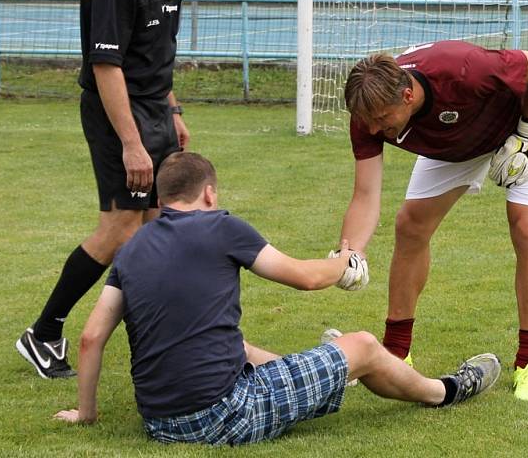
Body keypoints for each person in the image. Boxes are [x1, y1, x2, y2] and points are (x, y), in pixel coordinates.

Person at [53, 152, 501, 445]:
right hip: (224, 415)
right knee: (362, 344)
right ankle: (444, 391)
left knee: (240, 348)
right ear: (209, 193)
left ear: (164, 198)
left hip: (159, 424)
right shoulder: (222, 226)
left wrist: (86, 414)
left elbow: (92, 338)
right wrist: (345, 259)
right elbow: (304, 278)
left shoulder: (131, 249)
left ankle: (332, 370)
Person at [16, 0, 215, 379]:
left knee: (157, 229)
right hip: (116, 115)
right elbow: (107, 66)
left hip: (154, 110)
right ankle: (43, 333)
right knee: (121, 227)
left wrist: (172, 110)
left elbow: (154, 54)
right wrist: (132, 143)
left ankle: (157, 340)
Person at [338, 40, 528, 401]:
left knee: (525, 227)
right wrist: (350, 253)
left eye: (382, 121)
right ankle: (396, 353)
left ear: (408, 95)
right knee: (410, 226)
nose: (375, 130)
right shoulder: (368, 113)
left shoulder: (464, 68)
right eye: (368, 123)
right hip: (454, 142)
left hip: (519, 121)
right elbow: (365, 194)